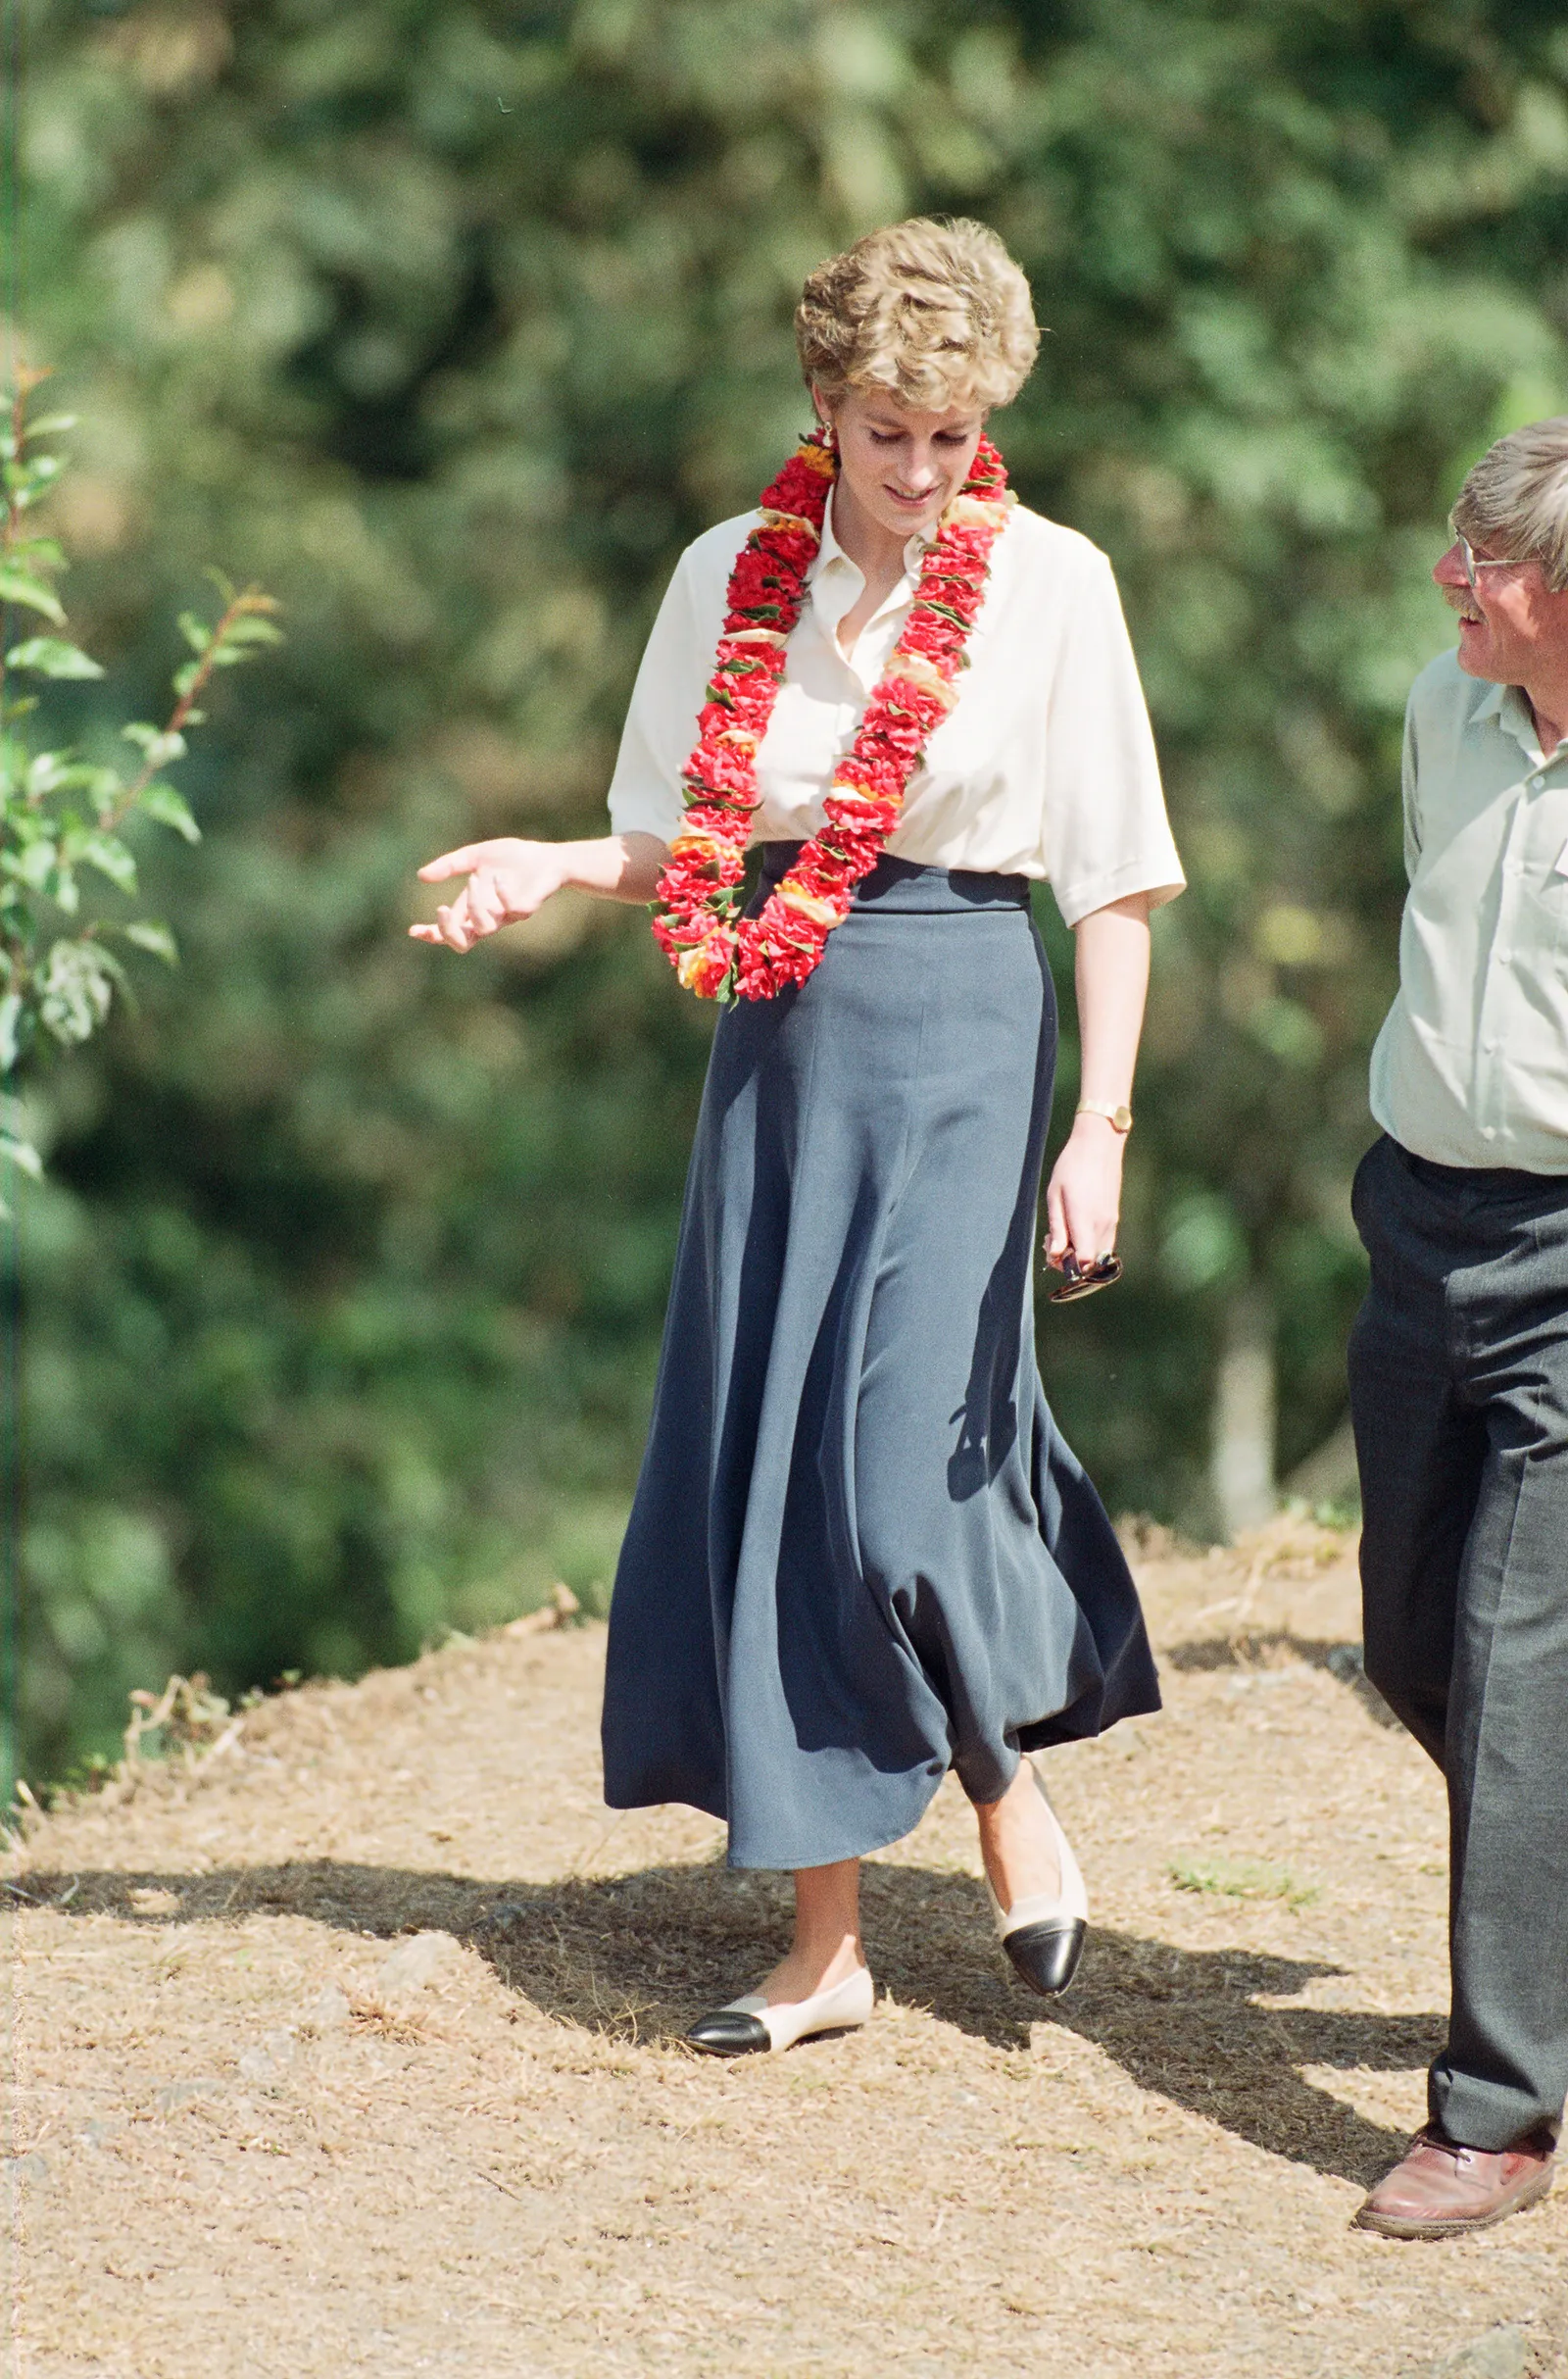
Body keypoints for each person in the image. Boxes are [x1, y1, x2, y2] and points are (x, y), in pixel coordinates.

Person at [412, 217, 1184, 2057]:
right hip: (777, 1033)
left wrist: (1107, 1127)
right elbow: (671, 845)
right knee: (776, 1459)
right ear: (825, 408)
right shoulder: (719, 576)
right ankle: (824, 1946)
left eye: (953, 434)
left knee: (901, 1475)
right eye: (887, 431)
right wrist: (541, 862)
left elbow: (1120, 879)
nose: (922, 472)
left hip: (968, 1023)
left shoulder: (1056, 582)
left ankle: (1006, 1785)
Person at [1348, 419, 1568, 2238]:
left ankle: (1494, 2108)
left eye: (1483, 564)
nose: (1451, 581)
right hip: (1421, 1217)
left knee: (1514, 1672)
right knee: (1414, 1643)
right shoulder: (1443, 705)